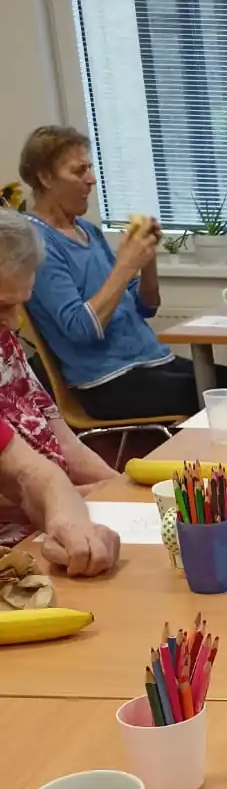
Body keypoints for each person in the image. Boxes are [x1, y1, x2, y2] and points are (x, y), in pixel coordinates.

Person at [19, 126, 227, 421]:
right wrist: (125, 265)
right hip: (106, 382)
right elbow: (81, 329)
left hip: (152, 362)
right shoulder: (37, 243)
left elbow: (146, 307)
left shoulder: (87, 231)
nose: (91, 179)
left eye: (90, 168)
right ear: (45, 178)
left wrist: (147, 259)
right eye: (79, 171)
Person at [0, 210, 120, 573]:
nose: (15, 322)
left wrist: (122, 489)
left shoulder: (4, 343)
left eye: (20, 303)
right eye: (3, 306)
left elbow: (60, 441)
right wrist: (63, 507)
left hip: (47, 518)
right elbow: (26, 473)